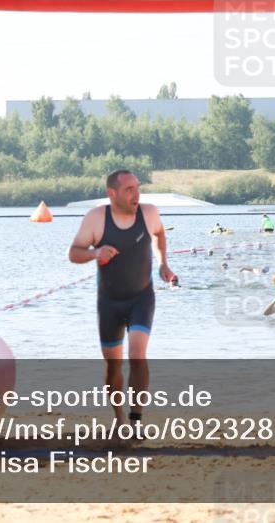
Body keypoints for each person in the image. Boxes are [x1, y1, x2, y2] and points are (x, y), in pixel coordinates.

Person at [68, 170, 175, 430]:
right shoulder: (96, 218)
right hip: (109, 303)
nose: (136, 194)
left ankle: (136, 418)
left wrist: (163, 264)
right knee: (113, 366)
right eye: (129, 190)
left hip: (141, 297)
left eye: (137, 188)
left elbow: (159, 233)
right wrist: (96, 253)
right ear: (111, 193)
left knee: (138, 355)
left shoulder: (149, 213)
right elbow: (74, 253)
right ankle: (119, 418)